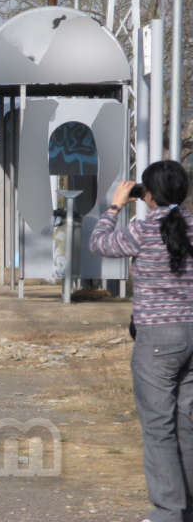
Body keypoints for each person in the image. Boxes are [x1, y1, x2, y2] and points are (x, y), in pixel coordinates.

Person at [90, 159, 193, 522]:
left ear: (146, 194)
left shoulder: (143, 229)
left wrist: (116, 205)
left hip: (157, 340)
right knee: (186, 423)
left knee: (159, 427)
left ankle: (168, 512)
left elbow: (99, 243)